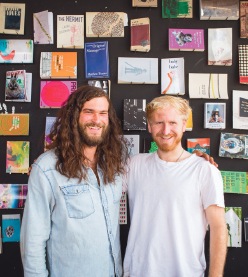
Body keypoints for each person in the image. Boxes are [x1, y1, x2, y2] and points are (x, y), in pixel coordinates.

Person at [20, 85, 129, 277]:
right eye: (89, 112)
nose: (97, 120)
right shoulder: (47, 168)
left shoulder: (114, 164)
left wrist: (198, 161)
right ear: (74, 116)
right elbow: (32, 241)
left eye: (103, 113)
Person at [123, 95, 227, 277]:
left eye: (172, 122)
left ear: (184, 125)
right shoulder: (134, 165)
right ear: (149, 125)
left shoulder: (204, 170)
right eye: (158, 122)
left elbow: (218, 228)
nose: (165, 130)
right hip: (138, 272)